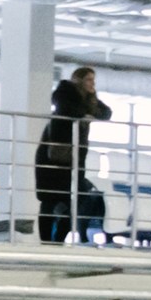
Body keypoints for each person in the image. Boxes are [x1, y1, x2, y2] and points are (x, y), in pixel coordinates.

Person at [37, 68, 112, 245]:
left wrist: (88, 107)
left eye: (93, 80)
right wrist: (87, 111)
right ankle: (46, 242)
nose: (92, 84)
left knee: (77, 200)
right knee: (50, 199)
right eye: (89, 80)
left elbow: (106, 113)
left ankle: (57, 241)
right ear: (79, 80)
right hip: (53, 157)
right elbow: (69, 109)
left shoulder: (89, 98)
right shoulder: (64, 92)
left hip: (75, 159)